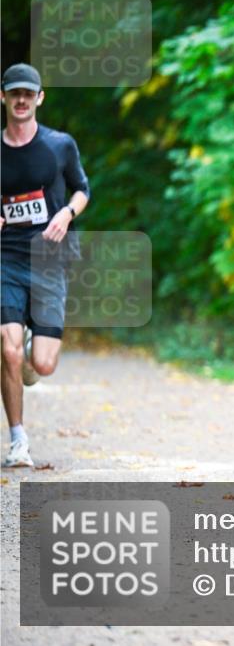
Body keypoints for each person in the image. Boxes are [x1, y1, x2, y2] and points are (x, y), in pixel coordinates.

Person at [1, 63, 91, 468]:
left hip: (50, 261)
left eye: (28, 93)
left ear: (40, 98)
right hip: (6, 258)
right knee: (9, 348)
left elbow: (82, 189)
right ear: (2, 97)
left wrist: (67, 214)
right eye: (13, 93)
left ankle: (28, 361)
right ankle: (18, 440)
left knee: (42, 365)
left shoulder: (59, 145)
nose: (21, 100)